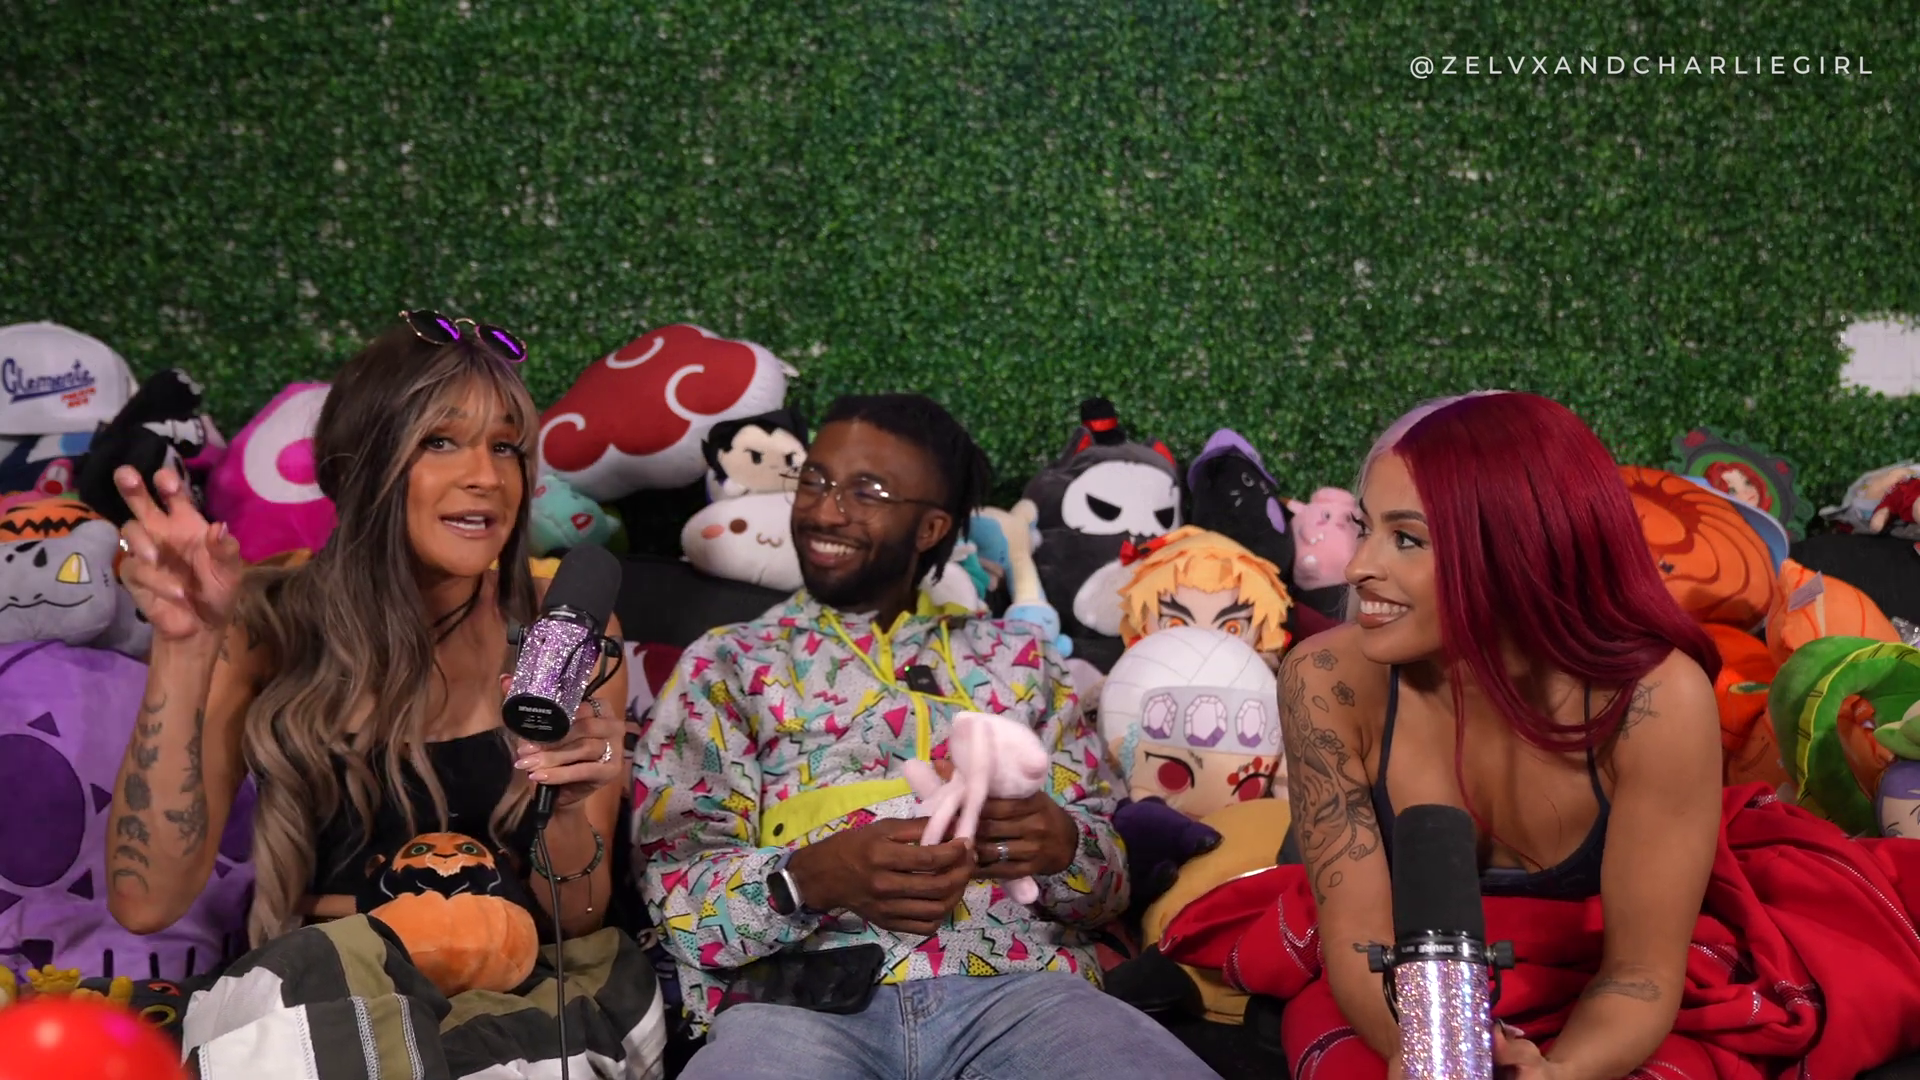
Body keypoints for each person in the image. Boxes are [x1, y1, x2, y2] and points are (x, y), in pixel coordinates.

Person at [104, 312, 659, 1075]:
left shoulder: (560, 629)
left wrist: (566, 808)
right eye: (441, 442)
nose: (486, 476)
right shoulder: (267, 621)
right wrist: (184, 647)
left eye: (505, 447)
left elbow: (579, 919)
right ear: (357, 466)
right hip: (327, 995)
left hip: (521, 999)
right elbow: (146, 902)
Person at [634, 393, 1222, 1080]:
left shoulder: (1024, 660)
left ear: (930, 527)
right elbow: (675, 895)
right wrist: (808, 880)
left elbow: (1111, 887)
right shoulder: (728, 661)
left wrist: (1064, 845)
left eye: (867, 491)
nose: (825, 510)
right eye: (816, 479)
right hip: (798, 1000)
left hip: (1023, 989)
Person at [1280, 390, 1723, 1079]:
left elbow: (1640, 973)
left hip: (1587, 1001)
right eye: (1365, 528)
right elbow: (1359, 940)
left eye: (1407, 539)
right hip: (1399, 995)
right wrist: (1437, 1055)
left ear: (1519, 553)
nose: (1358, 566)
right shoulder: (1324, 679)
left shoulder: (1660, 701)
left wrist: (1554, 1074)